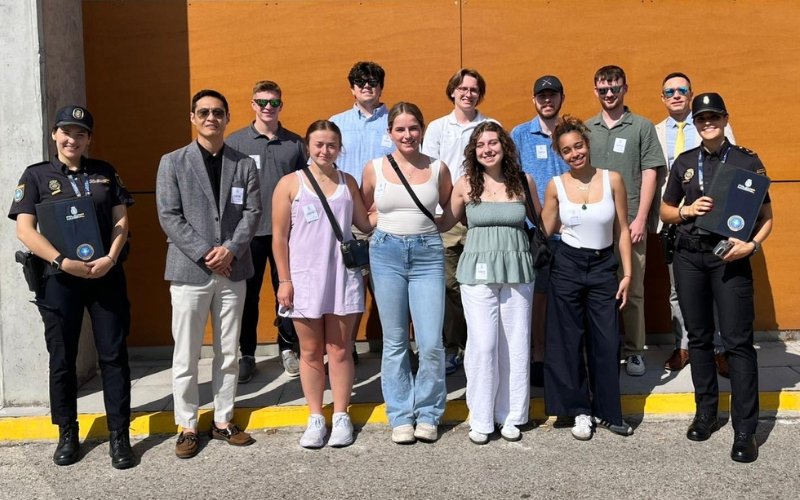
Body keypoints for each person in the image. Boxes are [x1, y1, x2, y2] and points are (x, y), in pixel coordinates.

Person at [8, 105, 135, 469]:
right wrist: (62, 262)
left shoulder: (104, 173)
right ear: (54, 135)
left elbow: (121, 221)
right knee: (62, 360)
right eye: (66, 132)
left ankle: (119, 435)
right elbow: (25, 229)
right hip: (59, 280)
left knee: (113, 357)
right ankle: (67, 432)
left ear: (89, 139)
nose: (72, 139)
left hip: (104, 275)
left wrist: (110, 258)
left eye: (80, 133)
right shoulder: (35, 176)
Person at [660, 93, 772, 463]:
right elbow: (666, 209)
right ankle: (706, 413)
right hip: (691, 257)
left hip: (730, 259)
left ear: (724, 119)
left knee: (738, 343)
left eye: (714, 116)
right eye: (701, 118)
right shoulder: (685, 162)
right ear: (694, 123)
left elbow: (767, 216)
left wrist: (752, 246)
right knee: (701, 339)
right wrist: (686, 209)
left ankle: (745, 430)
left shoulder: (746, 160)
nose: (708, 122)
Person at [156, 89, 261, 459]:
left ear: (227, 118)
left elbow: (252, 212)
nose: (210, 118)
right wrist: (205, 252)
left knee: (228, 351)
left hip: (233, 270)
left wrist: (230, 249)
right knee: (185, 354)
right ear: (193, 117)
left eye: (217, 112)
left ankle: (222, 419)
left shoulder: (244, 163)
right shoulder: (173, 162)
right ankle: (186, 424)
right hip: (189, 270)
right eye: (203, 112)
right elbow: (169, 215)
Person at [272, 120, 372, 449]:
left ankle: (341, 415)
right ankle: (316, 416)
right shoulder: (290, 184)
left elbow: (363, 222)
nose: (324, 150)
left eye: (331, 145)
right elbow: (279, 238)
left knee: (341, 350)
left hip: (342, 276)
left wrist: (395, 205)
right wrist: (284, 280)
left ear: (339, 148)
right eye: (318, 145)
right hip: (303, 279)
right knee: (311, 351)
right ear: (307, 147)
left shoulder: (348, 182)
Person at [439, 122, 539, 444]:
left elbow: (541, 222)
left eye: (493, 143)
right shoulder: (466, 184)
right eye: (480, 144)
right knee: (483, 345)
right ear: (473, 150)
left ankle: (510, 416)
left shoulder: (524, 182)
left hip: (517, 270)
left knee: (515, 344)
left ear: (504, 147)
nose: (487, 149)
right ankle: (481, 417)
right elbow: (444, 222)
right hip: (477, 271)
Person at [362, 102, 453, 444]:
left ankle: (428, 412)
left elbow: (446, 212)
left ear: (422, 130)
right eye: (400, 129)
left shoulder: (438, 168)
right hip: (385, 253)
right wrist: (383, 229)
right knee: (396, 340)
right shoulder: (374, 168)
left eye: (413, 128)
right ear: (390, 133)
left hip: (427, 253)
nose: (407, 135)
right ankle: (401, 413)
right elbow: (362, 210)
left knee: (430, 341)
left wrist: (427, 233)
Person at [541, 115, 633, 441]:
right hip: (567, 265)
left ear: (587, 144)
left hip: (604, 265)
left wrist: (627, 273)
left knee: (606, 341)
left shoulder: (613, 180)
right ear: (560, 154)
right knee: (568, 341)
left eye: (578, 146)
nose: (574, 153)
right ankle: (579, 409)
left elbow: (622, 229)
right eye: (566, 150)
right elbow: (545, 229)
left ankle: (608, 411)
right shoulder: (555, 186)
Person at [654, 73, 735, 376]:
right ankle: (684, 344)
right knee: (678, 291)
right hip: (676, 220)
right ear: (662, 98)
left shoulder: (711, 124)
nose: (675, 95)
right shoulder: (656, 132)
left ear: (690, 95)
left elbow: (734, 172)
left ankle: (720, 349)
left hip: (715, 223)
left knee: (717, 288)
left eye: (681, 90)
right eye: (669, 91)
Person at [585, 65, 664, 377]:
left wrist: (642, 217)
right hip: (595, 225)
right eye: (603, 89)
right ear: (596, 91)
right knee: (596, 291)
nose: (609, 94)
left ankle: (634, 352)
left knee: (632, 290)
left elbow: (650, 173)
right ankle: (603, 350)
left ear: (625, 88)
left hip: (630, 222)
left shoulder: (641, 127)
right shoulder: (587, 128)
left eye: (614, 88)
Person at [227, 80, 306, 382]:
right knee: (247, 296)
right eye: (262, 102)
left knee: (286, 293)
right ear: (252, 105)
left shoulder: (295, 143)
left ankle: (287, 348)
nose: (267, 108)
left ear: (281, 106)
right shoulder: (236, 143)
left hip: (287, 234)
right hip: (249, 234)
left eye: (273, 102)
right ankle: (247, 353)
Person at [422, 68, 494, 375]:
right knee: (449, 285)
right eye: (462, 88)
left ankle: (478, 346)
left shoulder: (490, 127)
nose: (468, 93)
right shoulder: (438, 128)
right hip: (447, 218)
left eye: (474, 89)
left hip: (480, 218)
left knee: (480, 285)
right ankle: (455, 345)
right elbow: (430, 172)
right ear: (452, 91)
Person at [330, 61, 395, 359]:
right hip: (347, 219)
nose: (366, 86)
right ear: (351, 87)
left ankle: (397, 348)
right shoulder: (337, 122)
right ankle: (346, 348)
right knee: (349, 284)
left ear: (381, 86)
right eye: (360, 81)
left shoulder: (396, 122)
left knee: (389, 285)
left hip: (387, 216)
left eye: (372, 81)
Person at [510, 75, 570, 387]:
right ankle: (538, 355)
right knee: (538, 297)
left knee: (567, 298)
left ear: (562, 98)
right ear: (534, 100)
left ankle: (564, 357)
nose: (547, 101)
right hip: (534, 232)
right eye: (542, 96)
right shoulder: (519, 134)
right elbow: (512, 179)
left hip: (572, 230)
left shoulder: (571, 133)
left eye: (552, 95)